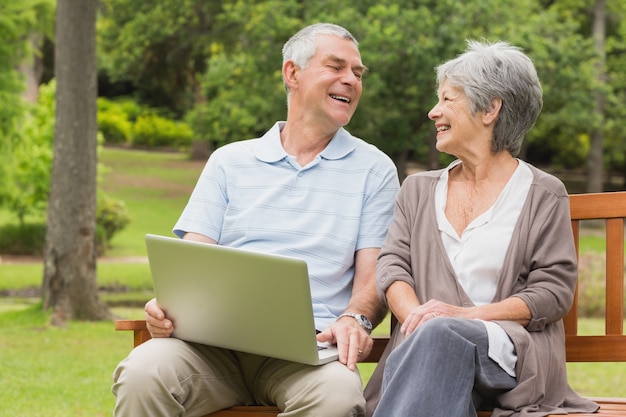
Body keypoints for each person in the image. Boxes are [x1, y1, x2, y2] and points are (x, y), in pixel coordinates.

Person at [112, 23, 400, 417]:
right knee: (141, 373)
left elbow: (373, 279)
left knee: (338, 396)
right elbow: (192, 260)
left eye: (358, 73)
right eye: (336, 67)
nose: (350, 80)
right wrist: (165, 307)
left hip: (308, 355)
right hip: (211, 349)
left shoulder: (375, 169)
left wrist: (356, 319)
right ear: (292, 73)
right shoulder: (229, 161)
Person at [363, 40, 600, 417]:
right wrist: (417, 319)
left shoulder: (543, 193)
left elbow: (553, 292)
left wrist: (463, 318)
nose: (432, 112)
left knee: (442, 335)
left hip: (507, 353)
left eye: (447, 99)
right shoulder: (418, 190)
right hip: (424, 348)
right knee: (437, 341)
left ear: (491, 108)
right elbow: (393, 268)